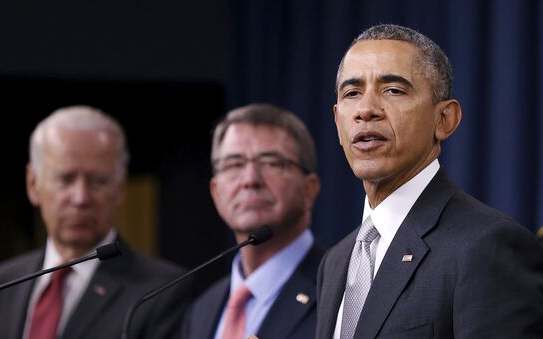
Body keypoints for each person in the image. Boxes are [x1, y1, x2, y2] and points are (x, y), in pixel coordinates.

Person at [316, 24, 543, 339]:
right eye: (352, 93)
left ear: (444, 119)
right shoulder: (336, 261)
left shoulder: (488, 247)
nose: (366, 110)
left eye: (393, 89)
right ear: (337, 118)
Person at [0, 105, 190, 339]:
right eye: (65, 179)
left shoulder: (163, 291)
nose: (81, 198)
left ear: (120, 188)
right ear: (33, 184)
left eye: (98, 181)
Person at [182, 103, 325, 339]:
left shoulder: (339, 288)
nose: (250, 180)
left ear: (309, 190)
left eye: (271, 163)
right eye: (234, 164)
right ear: (216, 191)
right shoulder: (202, 310)